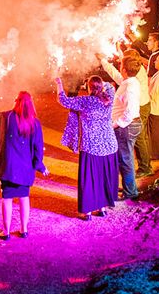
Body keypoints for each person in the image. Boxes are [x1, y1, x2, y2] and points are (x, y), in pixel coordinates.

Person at [55, 75, 118, 220]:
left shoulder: (86, 101)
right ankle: (102, 208)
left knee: (89, 179)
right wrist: (101, 84)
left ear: (89, 87)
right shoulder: (109, 98)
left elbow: (63, 100)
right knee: (103, 178)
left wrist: (59, 82)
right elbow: (109, 86)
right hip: (109, 145)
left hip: (91, 147)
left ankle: (88, 212)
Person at [0, 91, 49, 239]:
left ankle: (6, 231)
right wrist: (40, 166)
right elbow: (37, 148)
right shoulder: (34, 122)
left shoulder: (4, 117)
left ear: (16, 101)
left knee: (7, 198)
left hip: (8, 168)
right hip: (25, 168)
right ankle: (24, 230)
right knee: (24, 197)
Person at [101, 50, 153, 177]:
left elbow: (119, 77)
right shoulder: (133, 74)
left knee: (139, 139)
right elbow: (119, 75)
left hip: (140, 108)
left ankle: (145, 168)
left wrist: (116, 124)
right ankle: (143, 166)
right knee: (139, 139)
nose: (121, 63)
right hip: (139, 107)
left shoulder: (132, 81)